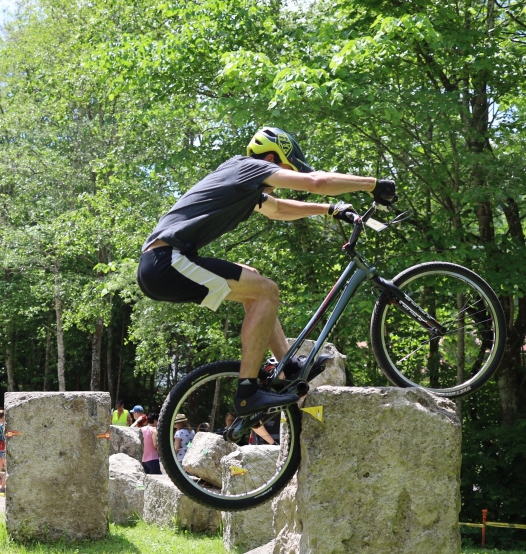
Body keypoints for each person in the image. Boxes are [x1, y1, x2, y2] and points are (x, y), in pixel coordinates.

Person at [137, 126, 395, 416]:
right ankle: (247, 392)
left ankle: (287, 365)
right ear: (270, 159)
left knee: (254, 278)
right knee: (267, 291)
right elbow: (315, 181)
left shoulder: (246, 186)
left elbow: (278, 209)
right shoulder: (248, 168)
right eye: (287, 168)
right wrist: (372, 183)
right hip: (166, 261)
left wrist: (330, 209)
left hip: (165, 262)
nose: (286, 178)